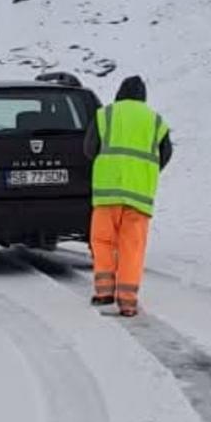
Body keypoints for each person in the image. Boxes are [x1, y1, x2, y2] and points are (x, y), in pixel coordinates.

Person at [84, 76, 172, 316]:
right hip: (139, 197)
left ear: (120, 93)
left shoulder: (106, 115)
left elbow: (89, 148)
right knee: (132, 247)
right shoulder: (155, 121)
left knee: (102, 242)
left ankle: (104, 293)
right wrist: (145, 172)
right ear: (143, 96)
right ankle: (128, 302)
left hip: (107, 194)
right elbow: (165, 154)